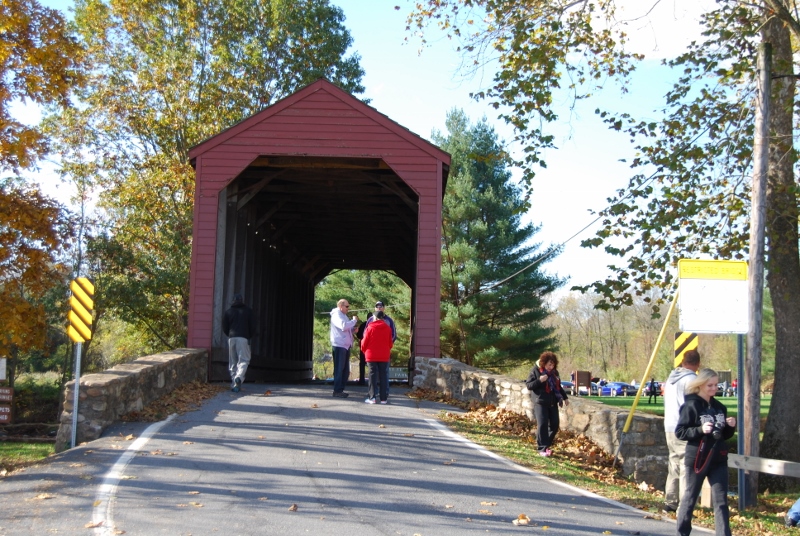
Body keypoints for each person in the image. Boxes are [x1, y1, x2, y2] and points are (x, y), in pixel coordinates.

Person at [675, 368, 736, 536]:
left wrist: (730, 427)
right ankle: (682, 532)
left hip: (718, 458)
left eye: (716, 385)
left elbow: (723, 436)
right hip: (697, 457)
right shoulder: (691, 405)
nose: (713, 389)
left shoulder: (719, 407)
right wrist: (701, 429)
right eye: (710, 385)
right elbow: (680, 432)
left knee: (721, 501)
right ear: (700, 385)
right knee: (690, 497)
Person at [662, 349, 701, 515]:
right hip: (683, 426)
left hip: (669, 425)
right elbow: (694, 405)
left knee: (674, 463)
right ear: (698, 364)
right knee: (687, 466)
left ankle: (670, 500)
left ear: (683, 361)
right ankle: (685, 505)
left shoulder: (671, 378)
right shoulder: (692, 380)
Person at [525, 351, 570, 457]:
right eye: (549, 364)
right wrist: (539, 380)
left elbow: (558, 387)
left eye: (553, 364)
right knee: (542, 424)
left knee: (554, 424)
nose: (551, 366)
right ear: (543, 363)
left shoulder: (555, 373)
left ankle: (546, 444)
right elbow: (529, 385)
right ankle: (542, 448)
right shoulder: (536, 371)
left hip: (552, 402)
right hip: (540, 402)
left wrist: (565, 397)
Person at [222, 293, 256, 393]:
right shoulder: (248, 311)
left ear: (233, 301)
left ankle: (234, 384)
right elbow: (253, 326)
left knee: (233, 361)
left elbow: (225, 327)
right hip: (243, 338)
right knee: (244, 360)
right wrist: (249, 336)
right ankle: (239, 378)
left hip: (231, 338)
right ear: (242, 300)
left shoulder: (228, 312)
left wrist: (230, 335)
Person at [360, 310, 394, 404]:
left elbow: (364, 342)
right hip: (384, 355)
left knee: (372, 376)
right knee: (383, 376)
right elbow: (390, 343)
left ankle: (372, 397)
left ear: (374, 318)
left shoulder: (370, 328)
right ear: (383, 318)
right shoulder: (388, 328)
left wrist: (364, 351)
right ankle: (383, 399)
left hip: (371, 355)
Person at [329, 299, 359, 398]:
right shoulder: (336, 315)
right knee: (339, 369)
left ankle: (340, 390)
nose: (348, 308)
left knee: (345, 370)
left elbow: (346, 329)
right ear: (341, 306)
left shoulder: (344, 315)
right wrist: (354, 321)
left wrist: (353, 330)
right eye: (347, 306)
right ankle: (337, 390)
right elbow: (343, 326)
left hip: (345, 346)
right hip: (339, 346)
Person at [355, 312, 373, 385]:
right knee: (373, 364)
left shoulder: (363, 325)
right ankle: (373, 380)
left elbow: (358, 335)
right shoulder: (375, 325)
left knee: (362, 363)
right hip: (371, 348)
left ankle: (361, 380)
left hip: (363, 347)